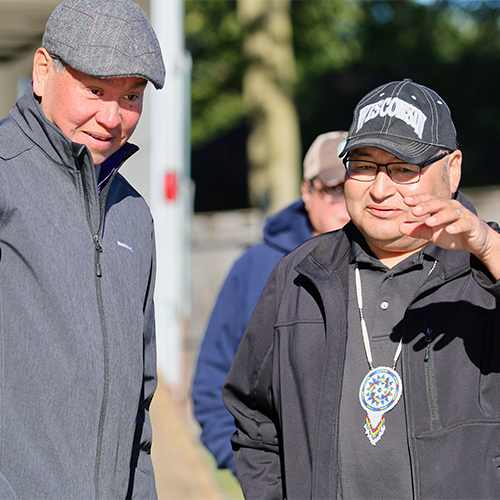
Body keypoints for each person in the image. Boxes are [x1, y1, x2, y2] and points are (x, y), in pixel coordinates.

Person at [222, 79, 500, 500]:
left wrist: (486, 247)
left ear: (453, 169)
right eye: (364, 166)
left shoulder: (487, 265)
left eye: (404, 169)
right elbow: (254, 420)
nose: (380, 189)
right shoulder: (299, 274)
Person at [0, 1, 165, 498]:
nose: (112, 118)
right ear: (43, 71)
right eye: (94, 90)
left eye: (131, 96)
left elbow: (140, 397)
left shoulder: (134, 214)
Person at [192, 131, 350, 475]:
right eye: (333, 189)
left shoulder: (388, 264)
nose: (346, 202)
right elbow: (212, 382)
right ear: (307, 192)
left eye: (354, 184)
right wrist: (251, 471)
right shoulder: (258, 267)